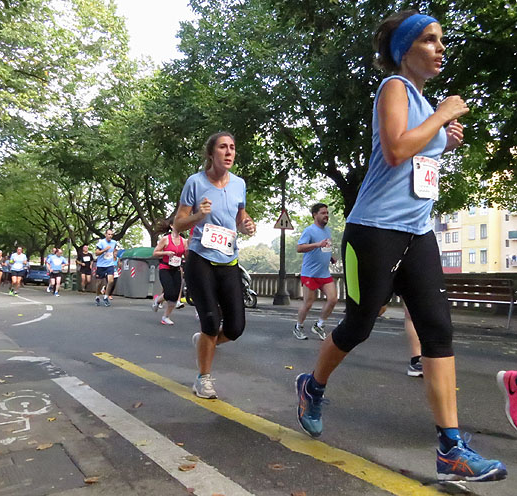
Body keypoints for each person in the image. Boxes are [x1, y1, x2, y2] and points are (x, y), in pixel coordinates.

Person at [295, 11, 507, 483]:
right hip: (374, 230)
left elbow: (415, 160)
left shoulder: (424, 103)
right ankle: (312, 386)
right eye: (429, 40)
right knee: (359, 325)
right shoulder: (394, 88)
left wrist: (443, 143)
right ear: (404, 50)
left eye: (441, 40)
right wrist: (442, 117)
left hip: (417, 232)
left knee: (438, 330)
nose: (440, 47)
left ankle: (451, 447)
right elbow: (395, 149)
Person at [173, 131, 256, 399]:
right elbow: (178, 223)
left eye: (232, 147)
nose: (229, 152)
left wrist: (246, 224)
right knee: (210, 321)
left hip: (228, 259)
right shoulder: (195, 183)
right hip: (200, 259)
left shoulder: (239, 184)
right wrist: (199, 215)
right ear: (211, 153)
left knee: (235, 328)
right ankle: (203, 378)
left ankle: (204, 343)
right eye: (222, 147)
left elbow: (240, 216)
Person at [293, 203, 338, 341]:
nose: (326, 215)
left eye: (327, 213)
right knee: (308, 303)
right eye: (323, 213)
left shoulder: (327, 231)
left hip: (324, 273)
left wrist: (330, 257)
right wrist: (317, 244)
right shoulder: (309, 231)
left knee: (333, 299)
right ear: (315, 215)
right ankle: (298, 327)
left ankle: (319, 325)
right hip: (310, 274)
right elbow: (299, 248)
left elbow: (325, 247)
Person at [152, 221, 188, 325]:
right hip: (165, 268)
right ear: (171, 226)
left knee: (175, 295)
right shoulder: (165, 239)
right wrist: (166, 252)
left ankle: (166, 317)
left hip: (176, 269)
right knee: (169, 292)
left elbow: (186, 256)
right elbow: (155, 253)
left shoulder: (184, 241)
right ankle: (157, 300)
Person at [95, 229, 117, 307]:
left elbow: (114, 250)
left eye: (111, 234)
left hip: (109, 265)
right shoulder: (101, 242)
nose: (110, 236)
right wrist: (104, 250)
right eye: (109, 234)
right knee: (99, 283)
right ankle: (97, 296)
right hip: (101, 265)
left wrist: (114, 255)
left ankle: (106, 297)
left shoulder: (114, 242)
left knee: (111, 281)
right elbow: (96, 253)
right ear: (105, 234)